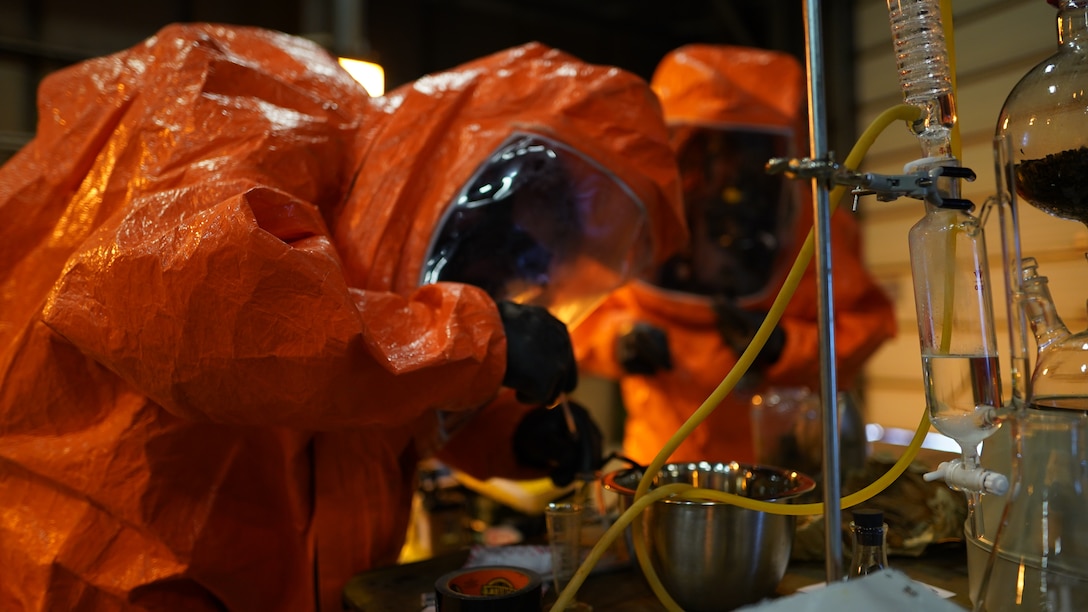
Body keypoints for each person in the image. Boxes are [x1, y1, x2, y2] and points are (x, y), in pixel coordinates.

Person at [0, 24, 687, 611]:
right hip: (97, 575)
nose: (531, 271)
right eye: (523, 232)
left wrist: (505, 431)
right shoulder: (251, 96)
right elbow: (200, 311)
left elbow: (353, 387)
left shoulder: (375, 235)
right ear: (475, 154)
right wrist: (483, 341)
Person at [572, 44, 897, 467]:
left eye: (740, 148)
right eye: (707, 144)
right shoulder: (647, 220)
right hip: (659, 461)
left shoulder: (815, 227)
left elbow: (864, 325)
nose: (724, 168)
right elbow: (579, 311)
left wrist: (784, 348)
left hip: (780, 468)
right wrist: (618, 340)